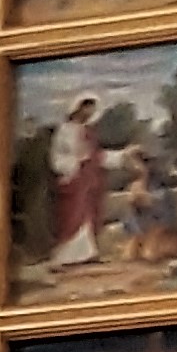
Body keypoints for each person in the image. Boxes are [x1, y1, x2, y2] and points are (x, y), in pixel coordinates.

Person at [45, 95, 110, 268]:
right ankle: (65, 258)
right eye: (87, 107)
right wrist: (75, 163)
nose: (90, 112)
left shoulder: (88, 132)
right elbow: (57, 158)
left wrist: (121, 157)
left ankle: (88, 253)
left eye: (92, 108)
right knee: (73, 216)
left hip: (88, 180)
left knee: (88, 215)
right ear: (77, 108)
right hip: (73, 179)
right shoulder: (65, 131)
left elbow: (97, 155)